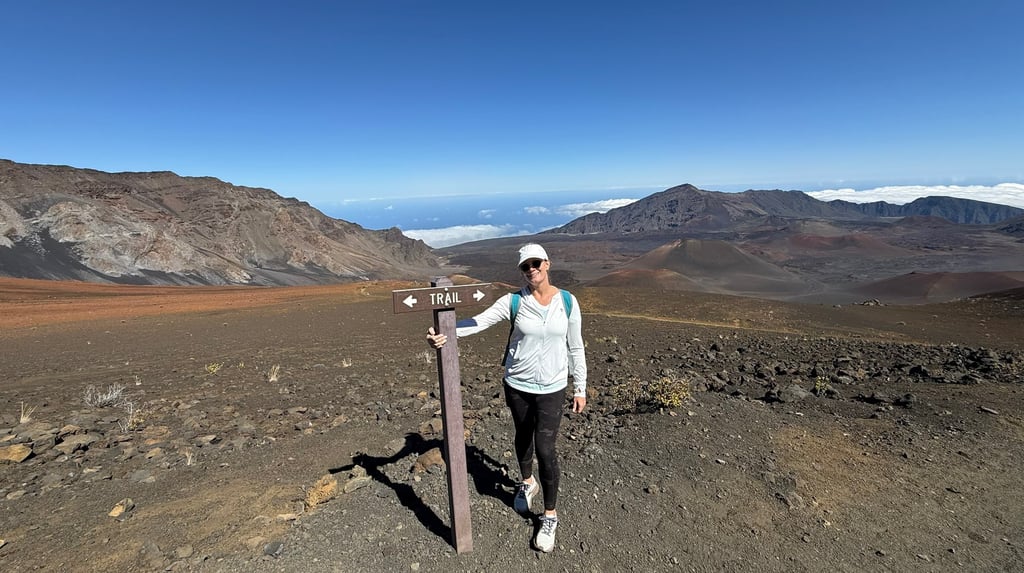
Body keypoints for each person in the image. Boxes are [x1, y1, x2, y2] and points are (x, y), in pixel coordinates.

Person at [426, 243, 587, 553]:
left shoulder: (567, 301)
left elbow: (576, 346)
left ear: (547, 264)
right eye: (525, 266)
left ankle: (550, 515)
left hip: (553, 387)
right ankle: (527, 482)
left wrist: (580, 387)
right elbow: (479, 322)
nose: (531, 270)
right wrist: (444, 331)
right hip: (517, 384)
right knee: (522, 436)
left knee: (546, 448)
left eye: (536, 263)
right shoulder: (513, 301)